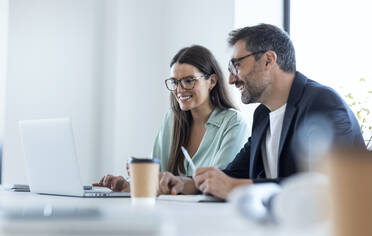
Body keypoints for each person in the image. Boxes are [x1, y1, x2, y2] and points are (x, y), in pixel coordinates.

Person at [158, 24, 365, 199]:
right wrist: (185, 184)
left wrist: (235, 187)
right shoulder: (263, 115)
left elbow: (325, 187)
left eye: (236, 65)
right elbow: (231, 174)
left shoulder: (322, 103)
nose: (230, 79)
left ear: (268, 60)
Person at [93, 45, 249, 193]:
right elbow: (157, 177)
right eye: (175, 82)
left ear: (212, 81)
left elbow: (219, 183)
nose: (179, 90)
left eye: (189, 81)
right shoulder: (172, 119)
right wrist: (129, 185)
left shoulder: (233, 122)